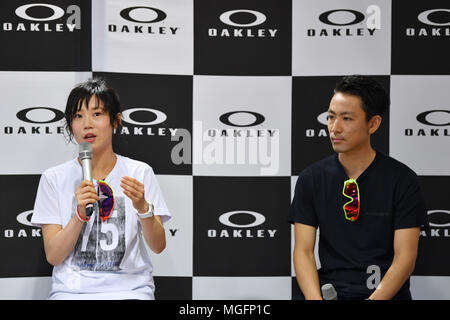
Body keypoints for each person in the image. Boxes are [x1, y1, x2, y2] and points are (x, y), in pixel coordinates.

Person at [289, 75, 428, 300]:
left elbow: (405, 257)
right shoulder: (311, 178)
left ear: (373, 124)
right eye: (331, 117)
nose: (335, 128)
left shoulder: (402, 180)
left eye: (347, 118)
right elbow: (303, 251)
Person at [31, 78, 171, 300]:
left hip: (131, 291)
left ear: (115, 121)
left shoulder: (139, 172)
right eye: (78, 116)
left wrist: (143, 207)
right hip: (71, 293)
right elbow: (54, 256)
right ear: (70, 125)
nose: (87, 124)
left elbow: (158, 246)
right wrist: (78, 215)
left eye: (97, 114)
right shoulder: (53, 178)